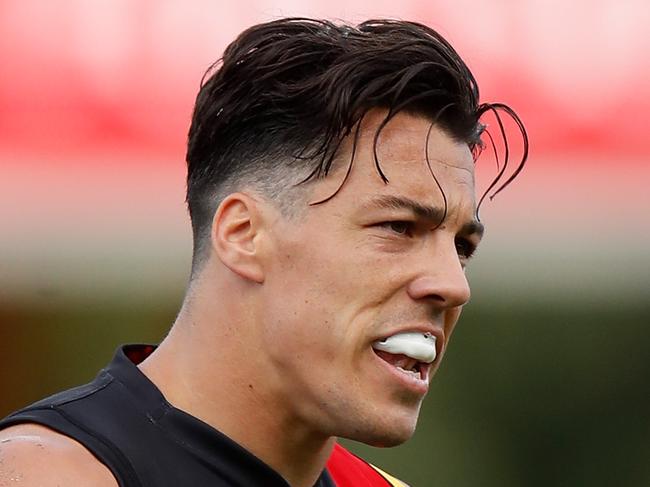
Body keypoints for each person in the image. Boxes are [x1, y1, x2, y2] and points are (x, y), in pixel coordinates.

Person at [0, 17, 527, 487]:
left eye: (461, 247)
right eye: (398, 226)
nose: (454, 285)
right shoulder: (48, 474)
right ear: (243, 234)